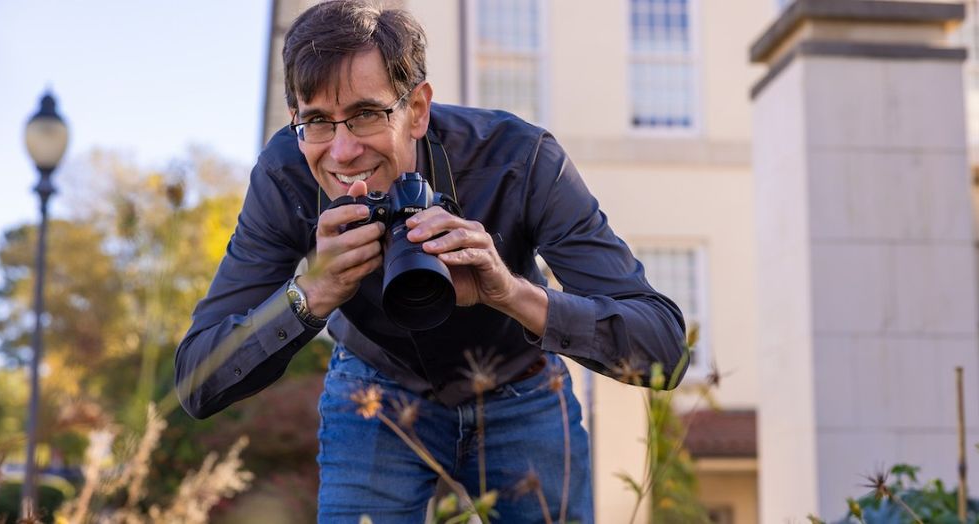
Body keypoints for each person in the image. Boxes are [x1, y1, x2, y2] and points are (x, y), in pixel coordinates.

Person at [175, 0, 687, 521]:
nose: (343, 150)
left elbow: (665, 351)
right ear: (295, 122)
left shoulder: (521, 160)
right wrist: (310, 299)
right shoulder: (284, 176)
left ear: (417, 109)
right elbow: (197, 380)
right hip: (375, 387)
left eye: (367, 114)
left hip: (523, 383)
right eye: (318, 123)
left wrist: (509, 293)